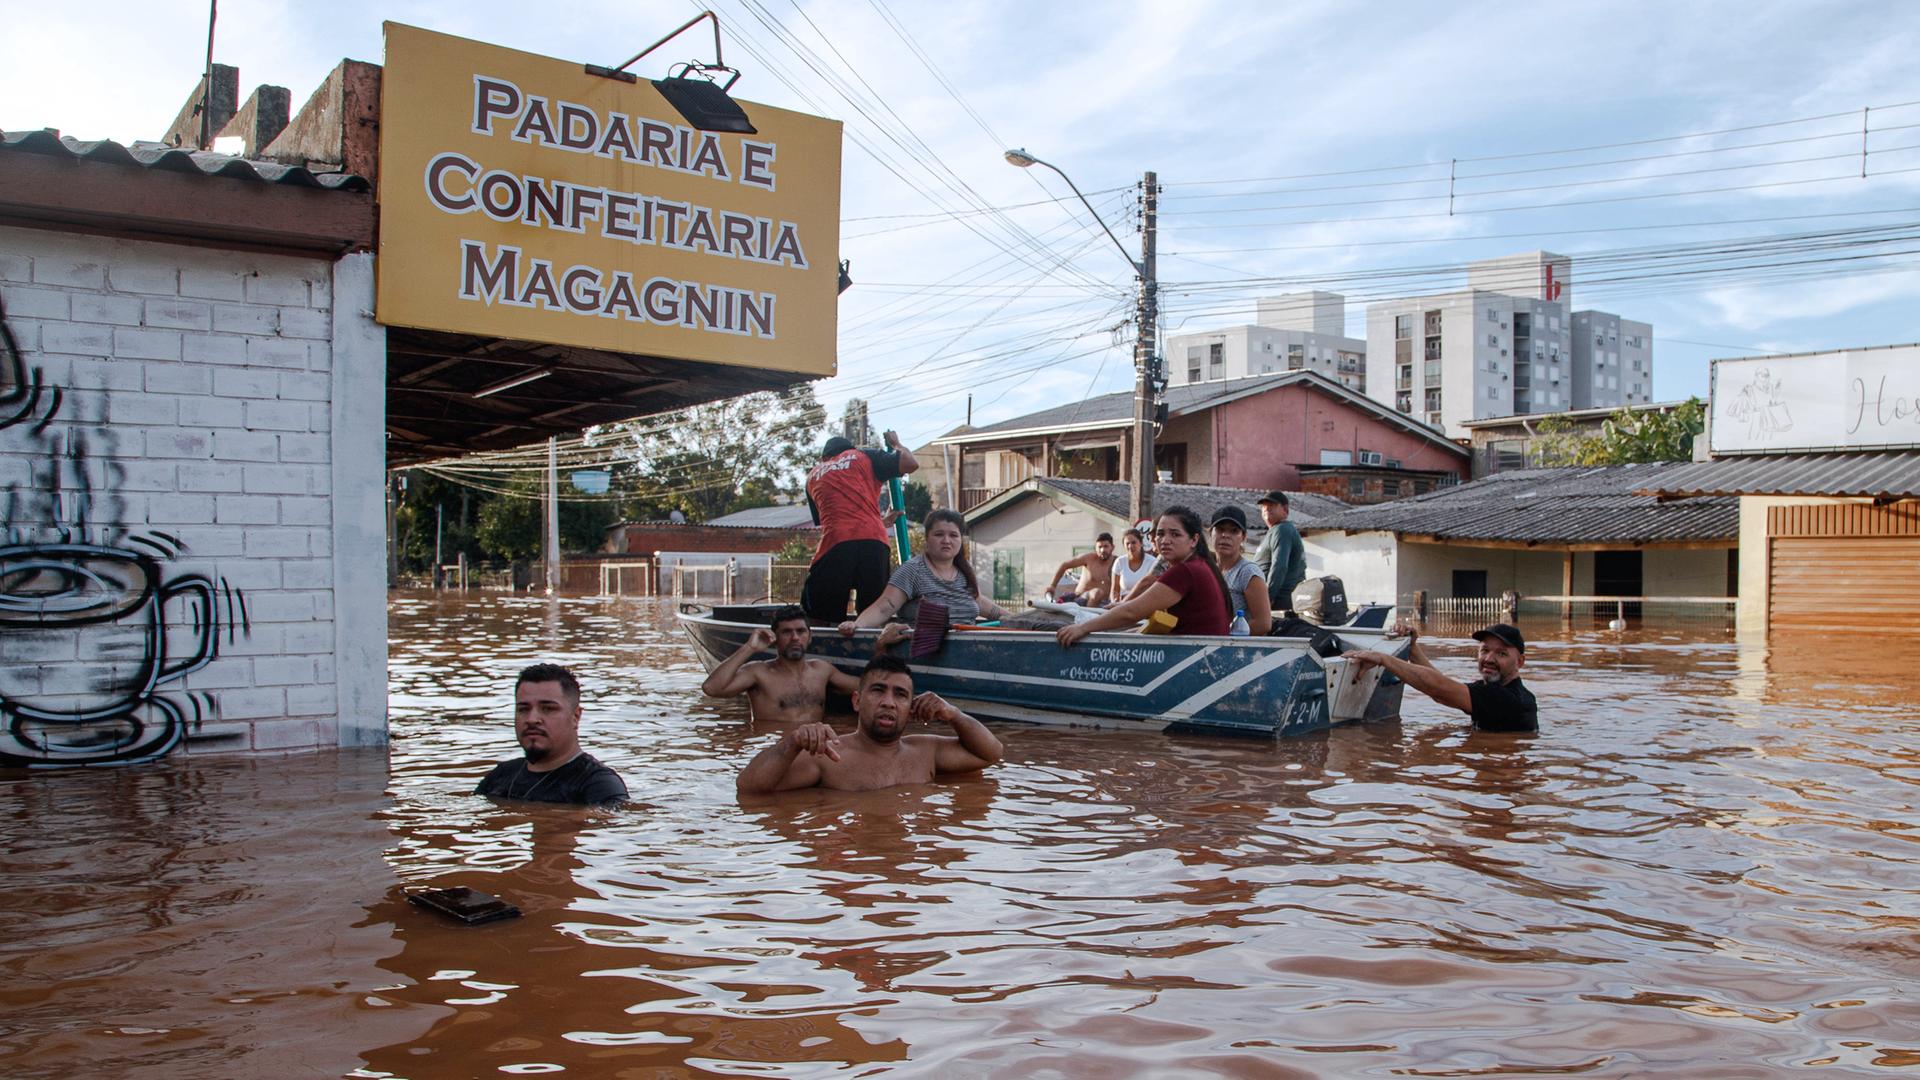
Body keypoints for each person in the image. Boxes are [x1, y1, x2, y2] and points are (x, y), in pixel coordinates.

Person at [736, 654, 1005, 793]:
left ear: (910, 708)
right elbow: (749, 788)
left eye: (900, 694)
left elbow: (992, 753)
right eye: (878, 690)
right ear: (857, 701)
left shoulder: (926, 751)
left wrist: (954, 714)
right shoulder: (829, 756)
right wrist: (792, 742)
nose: (888, 702)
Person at [1055, 506, 1232, 646]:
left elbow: (1131, 612)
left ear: (1194, 540)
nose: (1165, 540)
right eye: (1160, 534)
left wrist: (1082, 628)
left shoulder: (1185, 571)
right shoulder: (1199, 565)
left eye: (1175, 534)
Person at [702, 604, 910, 722]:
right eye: (786, 632)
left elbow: (867, 689)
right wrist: (750, 648)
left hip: (814, 749)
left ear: (809, 637)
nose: (794, 638)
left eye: (800, 632)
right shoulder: (758, 672)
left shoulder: (822, 670)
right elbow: (712, 688)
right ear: (775, 638)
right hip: (773, 748)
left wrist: (880, 647)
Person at [801, 431, 918, 625]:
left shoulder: (813, 475)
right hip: (874, 541)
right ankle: (871, 643)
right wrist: (896, 443)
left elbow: (839, 519)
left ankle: (818, 644)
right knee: (873, 609)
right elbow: (910, 464)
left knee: (819, 610)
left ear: (823, 458)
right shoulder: (865, 456)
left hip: (836, 542)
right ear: (850, 450)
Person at [838, 509, 1013, 635]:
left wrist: (1023, 620)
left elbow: (980, 603)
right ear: (927, 538)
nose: (946, 541)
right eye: (939, 534)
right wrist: (856, 626)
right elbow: (884, 607)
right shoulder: (912, 570)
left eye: (953, 535)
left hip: (969, 651)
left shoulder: (965, 571)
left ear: (961, 539)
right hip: (923, 654)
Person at [475, 663, 629, 805]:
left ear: (575, 717)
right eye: (523, 709)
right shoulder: (500, 776)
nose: (532, 719)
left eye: (548, 709)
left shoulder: (599, 785)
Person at [1343, 622, 1538, 733]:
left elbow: (1439, 688)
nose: (1489, 659)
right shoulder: (1496, 692)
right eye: (1484, 650)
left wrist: (1383, 659)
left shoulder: (1508, 700)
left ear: (1520, 662)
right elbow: (1441, 688)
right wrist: (1412, 648)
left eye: (1501, 654)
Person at [1209, 505, 1272, 635]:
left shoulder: (1248, 572)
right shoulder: (1208, 570)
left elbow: (1263, 623)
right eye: (1220, 530)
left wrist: (1226, 637)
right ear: (1211, 533)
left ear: (1243, 537)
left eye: (1234, 531)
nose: (1226, 535)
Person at [1251, 490, 1306, 610]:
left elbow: (1279, 566)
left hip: (1280, 602)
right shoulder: (1275, 531)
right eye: (1264, 506)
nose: (1267, 508)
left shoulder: (1282, 530)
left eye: (1272, 505)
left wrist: (1267, 597)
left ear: (1285, 510)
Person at [1044, 533, 1117, 606]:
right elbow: (1064, 565)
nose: (1102, 550)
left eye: (1106, 546)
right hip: (1080, 599)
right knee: (1097, 592)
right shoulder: (1089, 558)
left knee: (1099, 594)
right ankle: (1087, 616)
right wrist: (1052, 585)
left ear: (1112, 547)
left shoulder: (1118, 562)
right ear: (1095, 548)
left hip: (1104, 605)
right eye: (1100, 547)